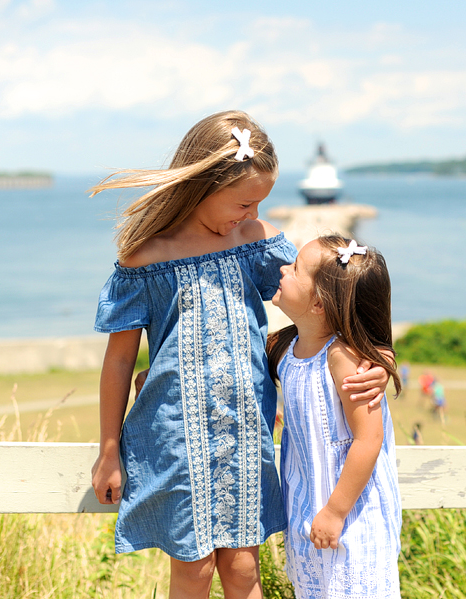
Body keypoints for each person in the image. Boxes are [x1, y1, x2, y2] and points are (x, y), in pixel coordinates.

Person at [89, 111, 389, 599]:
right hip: (176, 437)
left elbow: (320, 306)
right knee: (194, 569)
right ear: (203, 184)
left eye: (260, 204)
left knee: (244, 568)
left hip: (245, 433)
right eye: (244, 202)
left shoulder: (254, 243)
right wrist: (108, 451)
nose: (251, 214)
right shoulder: (144, 257)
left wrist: (367, 358)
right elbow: (119, 362)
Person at [266, 235, 402, 599]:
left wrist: (336, 511)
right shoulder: (283, 348)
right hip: (308, 510)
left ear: (318, 303)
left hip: (352, 516)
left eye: (294, 269)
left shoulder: (343, 358)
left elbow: (368, 439)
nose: (282, 269)